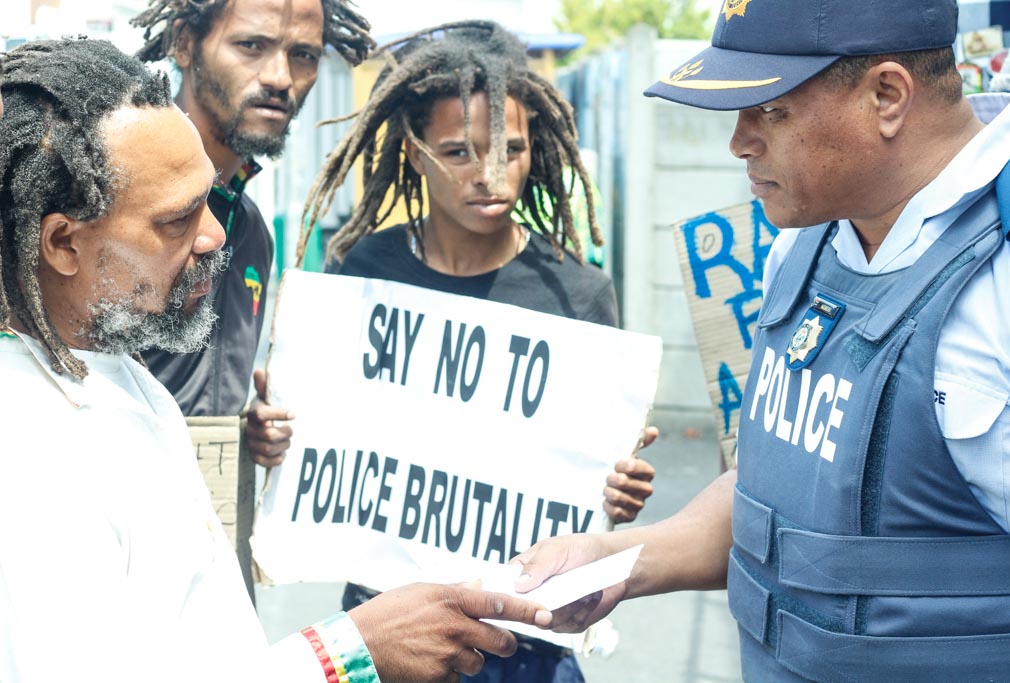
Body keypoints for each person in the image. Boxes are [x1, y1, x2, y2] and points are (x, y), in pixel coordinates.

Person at [0, 37, 552, 683]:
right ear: (64, 242)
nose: (213, 235)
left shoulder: (106, 364)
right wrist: (350, 654)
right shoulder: (29, 455)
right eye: (176, 221)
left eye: (209, 200)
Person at [513, 0, 1010, 681]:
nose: (739, 141)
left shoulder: (1007, 279)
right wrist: (614, 560)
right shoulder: (805, 241)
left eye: (771, 110)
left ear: (888, 95)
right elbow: (780, 496)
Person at [300, 21, 657, 683]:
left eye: (513, 149)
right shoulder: (365, 272)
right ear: (412, 151)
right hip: (390, 624)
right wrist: (279, 436)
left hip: (526, 642)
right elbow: (326, 437)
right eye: (459, 151)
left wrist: (614, 491)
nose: (491, 175)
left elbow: (588, 478)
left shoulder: (578, 294)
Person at [130, 0, 368, 458]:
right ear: (184, 43)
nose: (280, 78)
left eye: (303, 55)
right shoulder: (116, 199)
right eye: (251, 45)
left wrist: (245, 428)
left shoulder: (251, 231)